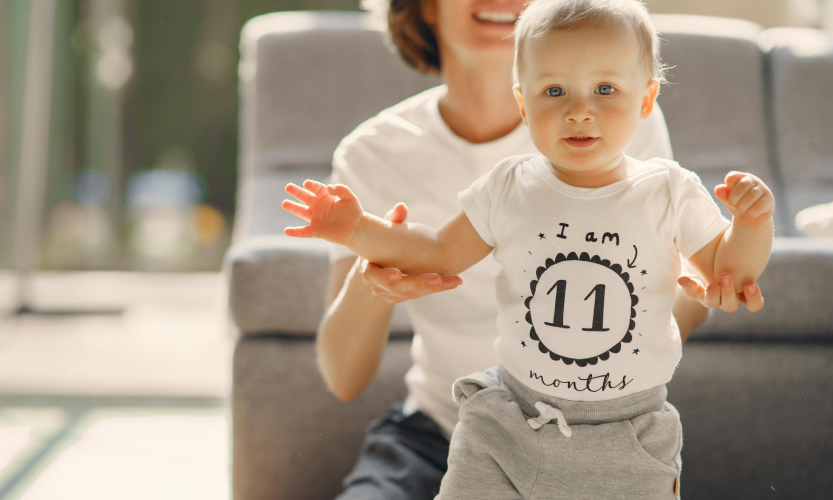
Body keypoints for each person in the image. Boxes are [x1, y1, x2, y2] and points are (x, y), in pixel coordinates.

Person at [284, 0, 776, 496]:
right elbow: (425, 265)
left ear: (643, 99)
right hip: (455, 427)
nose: (581, 110)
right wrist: (365, 242)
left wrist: (728, 259)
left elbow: (710, 271)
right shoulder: (401, 159)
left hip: (604, 433)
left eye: (604, 90)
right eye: (554, 91)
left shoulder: (634, 146)